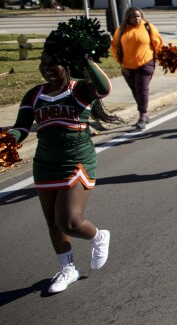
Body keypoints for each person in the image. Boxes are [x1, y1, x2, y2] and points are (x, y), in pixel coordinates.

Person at [5, 43, 112, 293]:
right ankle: (68, 269)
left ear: (66, 64)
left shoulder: (80, 89)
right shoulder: (34, 94)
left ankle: (98, 236)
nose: (47, 67)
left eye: (53, 62)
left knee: (71, 222)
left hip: (76, 161)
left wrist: (85, 58)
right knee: (53, 222)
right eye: (43, 62)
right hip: (45, 164)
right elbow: (21, 128)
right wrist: (6, 142)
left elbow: (104, 88)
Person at [111, 7, 164, 129]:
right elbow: (114, 46)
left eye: (139, 16)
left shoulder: (148, 27)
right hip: (127, 67)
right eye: (134, 16)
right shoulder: (121, 30)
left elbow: (158, 44)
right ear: (128, 18)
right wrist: (120, 61)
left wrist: (162, 60)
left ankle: (143, 115)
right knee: (135, 91)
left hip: (145, 64)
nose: (137, 19)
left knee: (141, 89)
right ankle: (144, 112)